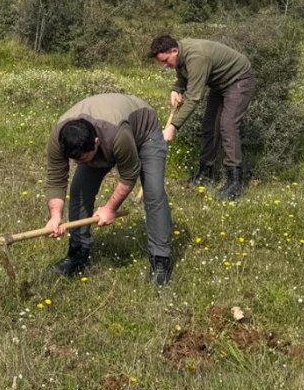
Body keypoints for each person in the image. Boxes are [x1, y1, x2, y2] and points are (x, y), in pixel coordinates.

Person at [45, 93, 174, 285]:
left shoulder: (117, 135)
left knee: (153, 194)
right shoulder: (60, 136)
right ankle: (78, 255)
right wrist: (55, 216)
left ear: (96, 143)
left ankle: (160, 260)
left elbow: (129, 174)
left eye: (81, 159)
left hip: (145, 133)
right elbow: (56, 178)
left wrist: (110, 208)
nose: (77, 163)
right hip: (106, 136)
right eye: (75, 160)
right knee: (80, 189)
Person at [149, 35, 257, 200]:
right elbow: (184, 76)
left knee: (227, 125)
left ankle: (235, 182)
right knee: (210, 126)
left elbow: (193, 97)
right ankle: (206, 173)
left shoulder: (197, 56)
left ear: (174, 50)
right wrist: (176, 88)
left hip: (239, 80)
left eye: (166, 61)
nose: (165, 66)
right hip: (219, 83)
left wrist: (173, 127)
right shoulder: (180, 55)